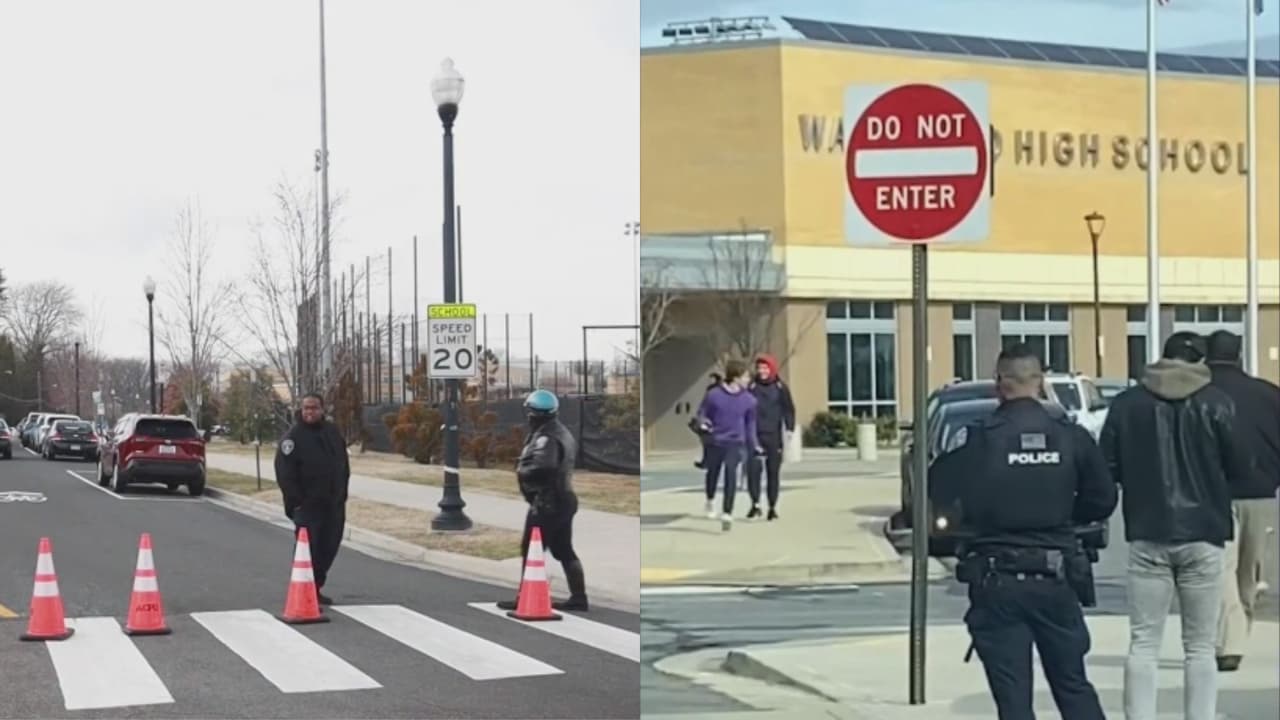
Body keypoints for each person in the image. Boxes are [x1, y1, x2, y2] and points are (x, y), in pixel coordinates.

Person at [934, 343, 1116, 720]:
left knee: (1013, 698)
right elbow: (1103, 499)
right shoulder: (1071, 436)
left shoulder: (980, 439)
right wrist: (1065, 516)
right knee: (1072, 685)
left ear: (999, 384)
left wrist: (975, 516)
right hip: (1056, 575)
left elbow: (937, 489)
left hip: (997, 578)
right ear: (1040, 382)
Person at [1101, 331, 1242, 720]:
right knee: (1200, 646)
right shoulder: (1217, 403)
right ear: (1201, 361)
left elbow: (1107, 465)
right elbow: (1239, 465)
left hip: (1147, 530)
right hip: (1205, 531)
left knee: (1143, 642)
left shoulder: (1128, 404)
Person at [1205, 330, 1280, 672]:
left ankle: (1228, 639)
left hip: (1213, 492)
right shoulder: (1269, 394)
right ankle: (1238, 634)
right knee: (1249, 569)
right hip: (1260, 492)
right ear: (1239, 355)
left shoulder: (1202, 395)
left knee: (1222, 567)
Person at [498, 389, 588, 612]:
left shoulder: (546, 437)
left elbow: (544, 465)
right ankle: (579, 597)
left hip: (547, 503)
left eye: (529, 413)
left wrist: (523, 469)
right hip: (562, 499)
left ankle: (526, 596)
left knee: (531, 549)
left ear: (534, 414)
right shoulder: (561, 432)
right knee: (563, 549)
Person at [274, 392, 351, 606]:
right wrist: (297, 502)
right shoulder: (292, 438)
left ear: (322, 409)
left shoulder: (332, 432)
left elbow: (343, 465)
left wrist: (342, 494)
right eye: (306, 408)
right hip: (307, 507)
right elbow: (285, 474)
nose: (310, 412)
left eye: (314, 408)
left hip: (333, 505)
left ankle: (316, 587)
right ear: (301, 410)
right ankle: (304, 590)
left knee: (329, 547)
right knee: (309, 550)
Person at [695, 360, 760, 531]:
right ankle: (710, 499)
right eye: (746, 377)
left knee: (731, 472)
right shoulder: (714, 395)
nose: (748, 380)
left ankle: (727, 512)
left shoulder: (749, 400)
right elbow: (702, 413)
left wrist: (754, 445)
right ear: (736, 378)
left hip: (736, 442)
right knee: (713, 472)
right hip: (715, 440)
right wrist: (703, 423)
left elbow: (750, 425)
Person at [746, 354, 795, 521]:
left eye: (765, 368)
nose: (762, 371)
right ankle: (755, 504)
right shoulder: (751, 387)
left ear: (771, 369)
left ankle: (772, 507)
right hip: (755, 434)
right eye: (759, 368)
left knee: (773, 472)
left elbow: (788, 409)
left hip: (774, 435)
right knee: (753, 471)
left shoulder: (780, 387)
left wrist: (789, 428)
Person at [690, 373, 722, 470]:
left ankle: (709, 462)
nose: (710, 381)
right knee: (707, 443)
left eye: (712, 379)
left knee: (710, 443)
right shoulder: (713, 390)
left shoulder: (714, 391)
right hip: (710, 420)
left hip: (713, 421)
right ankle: (707, 461)